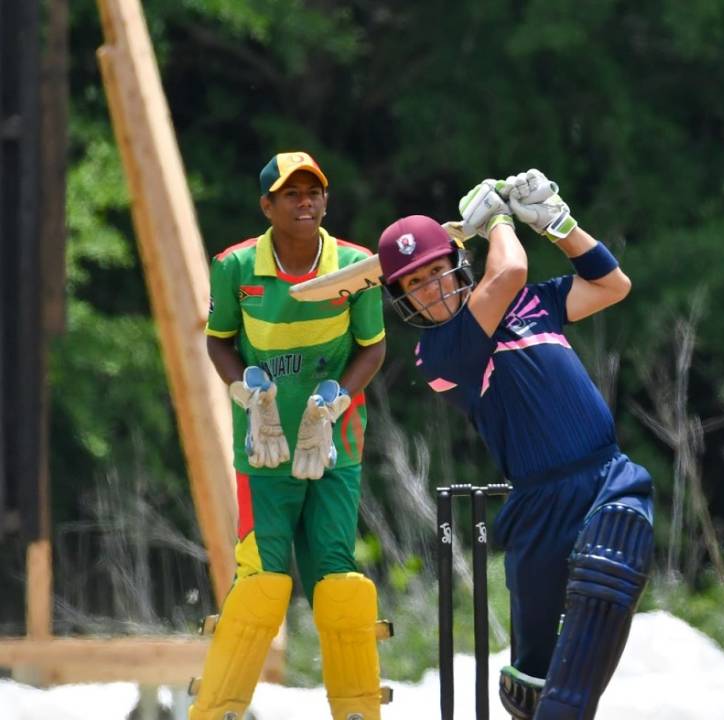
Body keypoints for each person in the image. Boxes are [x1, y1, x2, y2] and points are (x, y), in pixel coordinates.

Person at [375, 170, 654, 720]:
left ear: (458, 265)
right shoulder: (440, 355)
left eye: (435, 272)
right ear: (403, 300)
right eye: (415, 285)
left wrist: (558, 225)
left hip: (606, 475)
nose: (431, 291)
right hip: (540, 506)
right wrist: (500, 217)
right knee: (536, 685)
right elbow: (509, 268)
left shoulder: (531, 303)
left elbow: (611, 285)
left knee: (607, 574)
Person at [193, 151, 390, 720]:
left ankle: (357, 711)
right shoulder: (234, 267)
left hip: (335, 444)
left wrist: (334, 401)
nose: (305, 203)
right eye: (291, 195)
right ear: (267, 206)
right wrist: (246, 392)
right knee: (261, 581)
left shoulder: (356, 266)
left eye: (314, 193)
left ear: (325, 200)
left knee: (339, 580)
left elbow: (372, 347)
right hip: (264, 448)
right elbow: (219, 340)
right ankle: (218, 711)